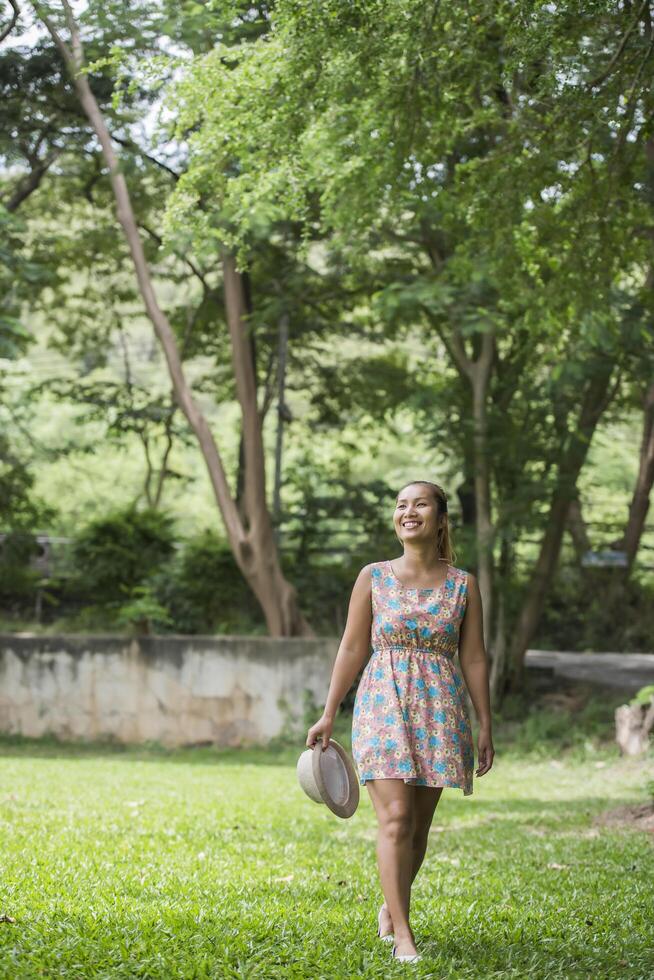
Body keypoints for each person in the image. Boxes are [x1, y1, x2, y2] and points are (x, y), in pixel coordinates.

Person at [306, 480, 494, 963]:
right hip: (382, 703)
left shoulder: (463, 585)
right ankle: (404, 935)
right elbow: (352, 646)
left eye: (420, 504)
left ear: (440, 518)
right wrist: (329, 712)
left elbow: (473, 658)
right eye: (401, 504)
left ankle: (391, 909)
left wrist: (485, 721)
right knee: (395, 818)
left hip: (440, 707)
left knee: (417, 830)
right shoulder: (373, 576)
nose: (408, 511)